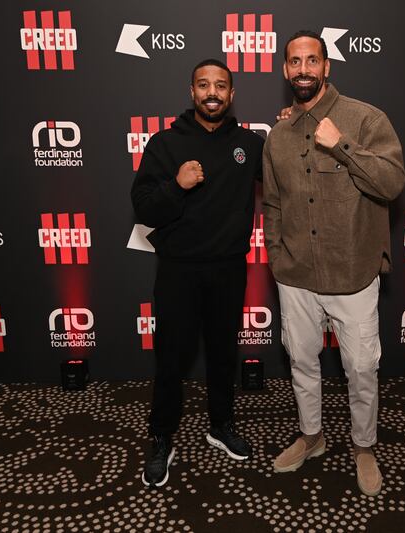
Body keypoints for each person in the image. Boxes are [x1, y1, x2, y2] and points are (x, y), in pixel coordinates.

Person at [262, 31, 405, 496]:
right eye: (295, 62)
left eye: (313, 60)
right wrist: (277, 257)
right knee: (302, 362)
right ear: (285, 70)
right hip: (296, 275)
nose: (303, 69)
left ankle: (364, 446)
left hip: (353, 272)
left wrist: (341, 144)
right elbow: (273, 205)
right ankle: (312, 436)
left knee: (361, 368)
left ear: (327, 67)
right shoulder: (278, 136)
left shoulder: (365, 120)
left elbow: (391, 183)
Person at [131, 58, 263, 488]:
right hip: (178, 270)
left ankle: (220, 425)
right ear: (192, 92)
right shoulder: (165, 143)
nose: (212, 93)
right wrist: (176, 185)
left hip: (228, 267)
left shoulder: (249, 143)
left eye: (220, 86)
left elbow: (291, 173)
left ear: (231, 93)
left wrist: (295, 121)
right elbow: (144, 208)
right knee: (172, 358)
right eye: (204, 85)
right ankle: (161, 437)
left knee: (224, 354)